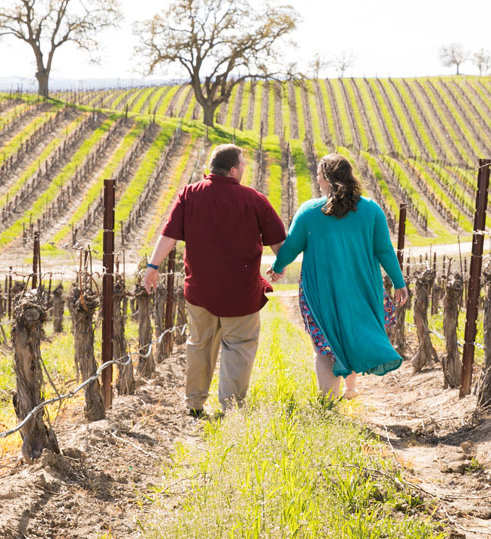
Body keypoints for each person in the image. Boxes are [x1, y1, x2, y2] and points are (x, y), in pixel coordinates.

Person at [144, 144, 286, 417]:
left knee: (199, 344)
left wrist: (153, 266)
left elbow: (169, 234)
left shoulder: (189, 195)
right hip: (241, 293)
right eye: (243, 165)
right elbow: (280, 243)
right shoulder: (255, 199)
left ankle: (195, 403)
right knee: (239, 347)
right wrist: (279, 265)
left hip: (200, 290)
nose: (244, 169)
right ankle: (230, 408)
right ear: (233, 170)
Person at [268, 153, 408, 400]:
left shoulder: (309, 211)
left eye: (319, 175)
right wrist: (399, 283)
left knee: (324, 343)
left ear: (323, 178)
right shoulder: (371, 209)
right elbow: (384, 250)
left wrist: (278, 267)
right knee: (353, 332)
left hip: (321, 289)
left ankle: (329, 401)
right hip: (363, 286)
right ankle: (351, 388)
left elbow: (291, 247)